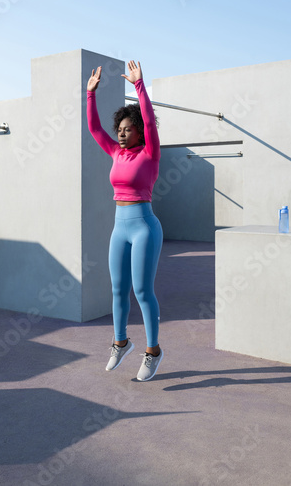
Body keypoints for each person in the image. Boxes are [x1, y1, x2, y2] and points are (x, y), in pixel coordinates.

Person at [87, 60, 163, 382]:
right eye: (119, 129)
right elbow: (94, 129)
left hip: (144, 226)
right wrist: (90, 94)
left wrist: (139, 86)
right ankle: (121, 343)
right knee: (118, 289)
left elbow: (147, 117)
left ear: (138, 131)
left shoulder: (150, 153)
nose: (120, 133)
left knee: (142, 290)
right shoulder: (117, 154)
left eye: (126, 129)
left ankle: (153, 352)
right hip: (120, 227)